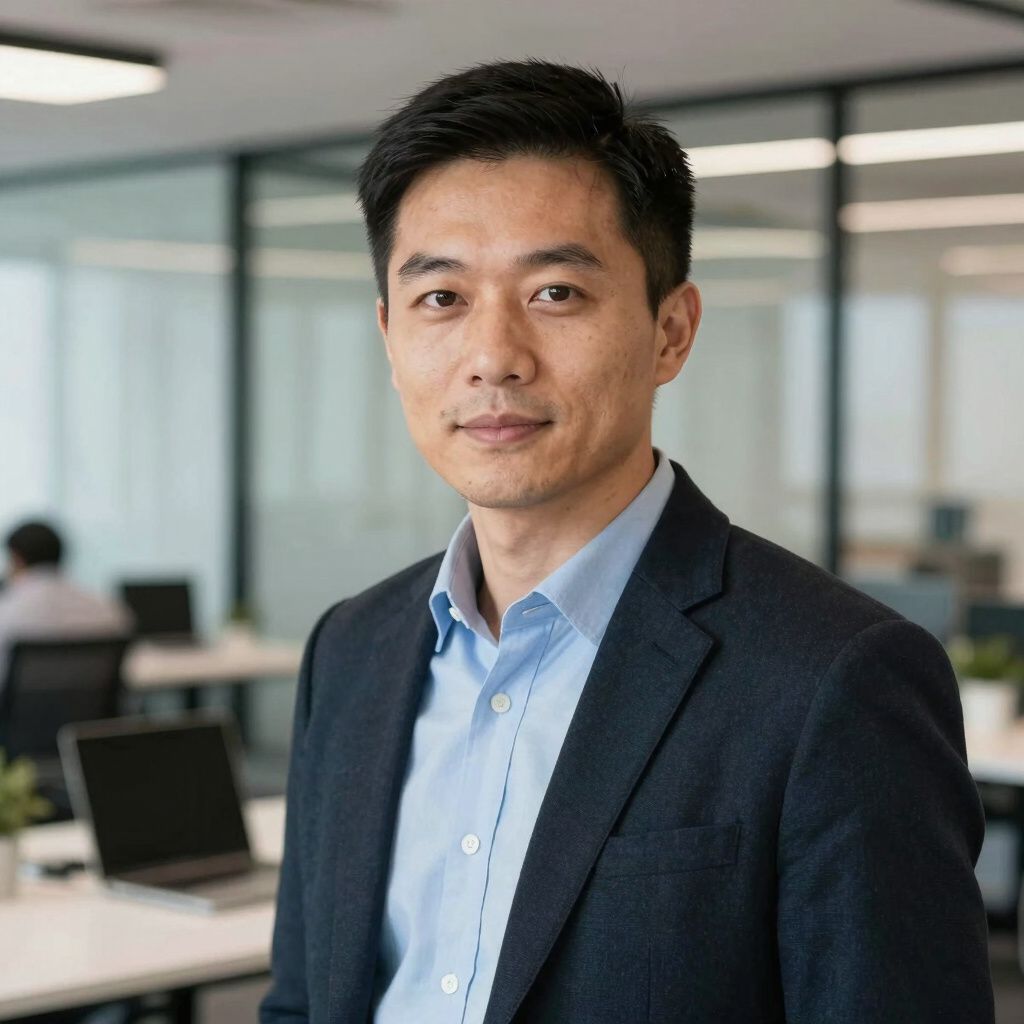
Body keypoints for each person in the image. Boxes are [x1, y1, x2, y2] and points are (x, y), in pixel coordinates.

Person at [261, 60, 993, 1023]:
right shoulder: (351, 652)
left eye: (556, 292)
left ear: (671, 332)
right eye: (442, 299)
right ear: (390, 338)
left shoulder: (833, 679)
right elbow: (303, 1003)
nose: (493, 358)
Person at [0, 520, 130, 689]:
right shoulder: (109, 609)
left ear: (16, 558)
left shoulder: (8, 610)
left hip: (19, 714)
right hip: (90, 713)